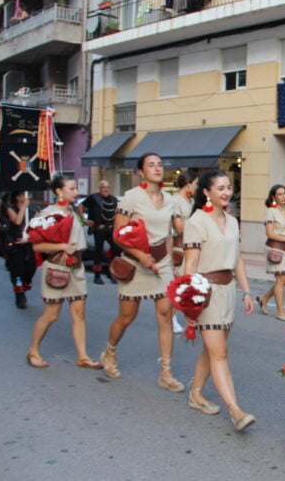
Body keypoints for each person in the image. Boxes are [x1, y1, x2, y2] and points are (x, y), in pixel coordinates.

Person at [99, 153, 185, 392]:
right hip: (135, 264)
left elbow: (168, 235)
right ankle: (109, 352)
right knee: (127, 317)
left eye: (159, 164)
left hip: (162, 264)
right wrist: (141, 256)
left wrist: (171, 265)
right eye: (151, 165)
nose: (157, 168)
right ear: (140, 172)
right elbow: (118, 234)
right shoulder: (131, 198)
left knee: (166, 316)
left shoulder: (170, 200)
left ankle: (166, 373)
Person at [182, 170, 256, 431]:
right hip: (205, 293)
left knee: (213, 349)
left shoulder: (233, 221)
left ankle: (196, 392)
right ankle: (235, 410)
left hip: (227, 292)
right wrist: (189, 302)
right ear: (206, 193)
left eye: (228, 187)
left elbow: (236, 259)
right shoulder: (197, 222)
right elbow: (189, 264)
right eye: (220, 188)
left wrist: (247, 291)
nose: (226, 192)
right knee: (220, 353)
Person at [26, 176, 101, 369]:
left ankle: (83, 356)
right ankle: (33, 350)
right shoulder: (49, 213)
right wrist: (61, 245)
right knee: (51, 315)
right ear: (59, 191)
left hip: (76, 266)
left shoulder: (72, 211)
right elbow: (36, 246)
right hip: (57, 267)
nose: (76, 192)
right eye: (72, 188)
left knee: (79, 314)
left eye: (76, 188)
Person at [256, 184, 285, 321]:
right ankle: (280, 312)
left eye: (284, 193)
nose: (283, 196)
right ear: (273, 197)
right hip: (275, 248)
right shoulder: (270, 211)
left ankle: (264, 298)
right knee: (280, 280)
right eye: (279, 194)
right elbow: (270, 233)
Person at [171, 170, 198, 334]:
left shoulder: (192, 201)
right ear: (188, 184)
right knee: (179, 284)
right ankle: (171, 317)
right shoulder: (175, 201)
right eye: (196, 183)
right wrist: (197, 225)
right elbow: (178, 227)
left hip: (192, 245)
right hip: (178, 246)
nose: (197, 186)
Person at [77, 180, 120, 285]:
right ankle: (97, 275)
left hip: (110, 229)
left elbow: (117, 212)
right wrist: (83, 219)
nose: (105, 189)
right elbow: (80, 206)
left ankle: (111, 272)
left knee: (116, 249)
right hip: (99, 229)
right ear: (100, 188)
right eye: (103, 187)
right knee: (98, 252)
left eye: (107, 187)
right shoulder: (94, 197)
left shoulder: (113, 199)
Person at [0, 191, 37, 309]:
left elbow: (35, 225)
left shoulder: (33, 210)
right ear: (17, 197)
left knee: (31, 269)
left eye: (26, 195)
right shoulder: (11, 208)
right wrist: (23, 207)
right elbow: (17, 221)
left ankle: (23, 287)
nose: (25, 197)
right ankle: (19, 296)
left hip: (29, 243)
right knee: (17, 271)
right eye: (22, 195)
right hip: (16, 244)